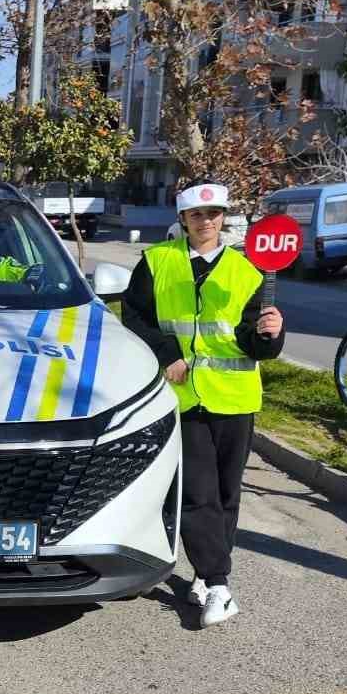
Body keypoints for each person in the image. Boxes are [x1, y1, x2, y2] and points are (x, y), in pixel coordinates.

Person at [120, 181, 285, 627]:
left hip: (235, 398)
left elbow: (255, 343)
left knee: (227, 496)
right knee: (197, 493)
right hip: (183, 398)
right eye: (197, 215)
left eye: (214, 215)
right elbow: (134, 317)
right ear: (183, 219)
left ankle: (202, 574)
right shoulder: (157, 262)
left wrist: (272, 332)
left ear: (223, 218)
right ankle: (218, 584)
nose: (207, 222)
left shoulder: (245, 271)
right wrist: (166, 353)